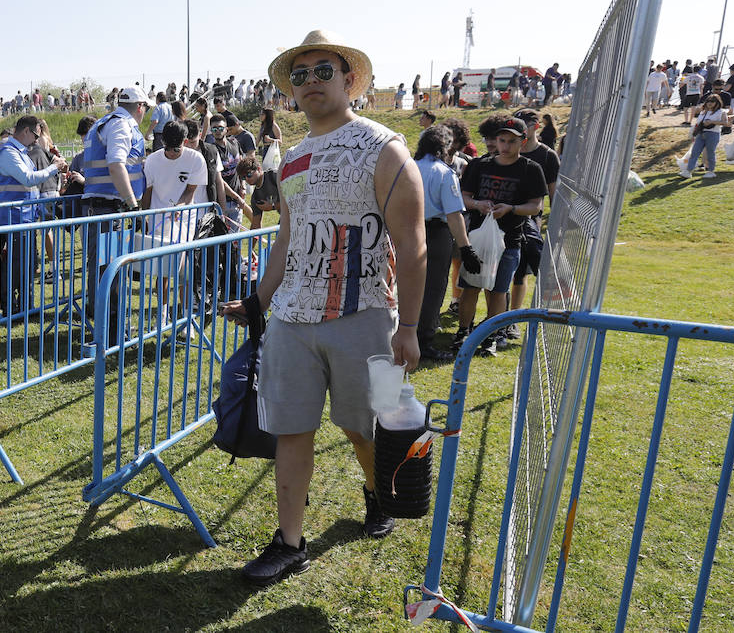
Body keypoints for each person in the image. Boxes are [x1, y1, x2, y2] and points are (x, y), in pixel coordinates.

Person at [221, 30, 426, 584]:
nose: (311, 81)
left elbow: (413, 246)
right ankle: (290, 541)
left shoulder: (385, 147)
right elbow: (286, 240)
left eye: (323, 70)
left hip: (365, 317)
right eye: (300, 74)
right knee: (292, 430)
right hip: (292, 319)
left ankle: (378, 493)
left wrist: (407, 327)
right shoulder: (291, 157)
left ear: (349, 79)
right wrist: (257, 302)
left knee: (367, 428)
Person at [454, 115, 548, 356]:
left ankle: (491, 335)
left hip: (510, 240)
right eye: (501, 140)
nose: (505, 146)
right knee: (470, 287)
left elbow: (536, 206)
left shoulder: (531, 170)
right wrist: (477, 204)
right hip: (477, 237)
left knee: (498, 291)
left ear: (522, 142)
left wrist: (511, 209)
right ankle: (463, 332)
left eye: (511, 141)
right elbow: (463, 198)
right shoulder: (479, 165)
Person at [79, 85, 150, 330]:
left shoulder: (102, 123)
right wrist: (133, 205)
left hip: (100, 207)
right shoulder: (122, 124)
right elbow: (116, 165)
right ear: (140, 107)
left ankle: (106, 326)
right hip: (108, 208)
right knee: (110, 271)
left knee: (102, 269)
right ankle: (111, 329)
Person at [413, 125, 479, 361]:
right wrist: (466, 247)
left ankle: (404, 331)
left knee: (406, 285)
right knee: (433, 288)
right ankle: (423, 340)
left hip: (407, 231)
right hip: (435, 233)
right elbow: (453, 214)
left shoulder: (408, 168)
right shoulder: (443, 173)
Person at [0, 115, 67, 314]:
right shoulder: (9, 152)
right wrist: (54, 168)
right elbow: (28, 178)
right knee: (16, 267)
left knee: (28, 265)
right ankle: (11, 307)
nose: (36, 140)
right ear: (26, 131)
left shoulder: (21, 152)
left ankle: (25, 306)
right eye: (35, 134)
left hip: (25, 217)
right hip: (13, 218)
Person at [505, 110, 560, 336]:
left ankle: (512, 320)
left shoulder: (547, 156)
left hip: (530, 221)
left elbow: (553, 193)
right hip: (502, 218)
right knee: (502, 271)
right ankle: (497, 319)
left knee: (520, 273)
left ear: (535, 126)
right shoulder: (508, 153)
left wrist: (554, 226)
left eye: (523, 125)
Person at [676, 93, 733, 179]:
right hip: (701, 133)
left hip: (713, 134)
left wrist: (712, 122)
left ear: (717, 103)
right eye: (708, 101)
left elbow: (725, 123)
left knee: (710, 153)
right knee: (695, 152)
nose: (710, 103)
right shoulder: (703, 112)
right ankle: (688, 171)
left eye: (713, 101)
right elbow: (698, 123)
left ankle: (711, 171)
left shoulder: (721, 112)